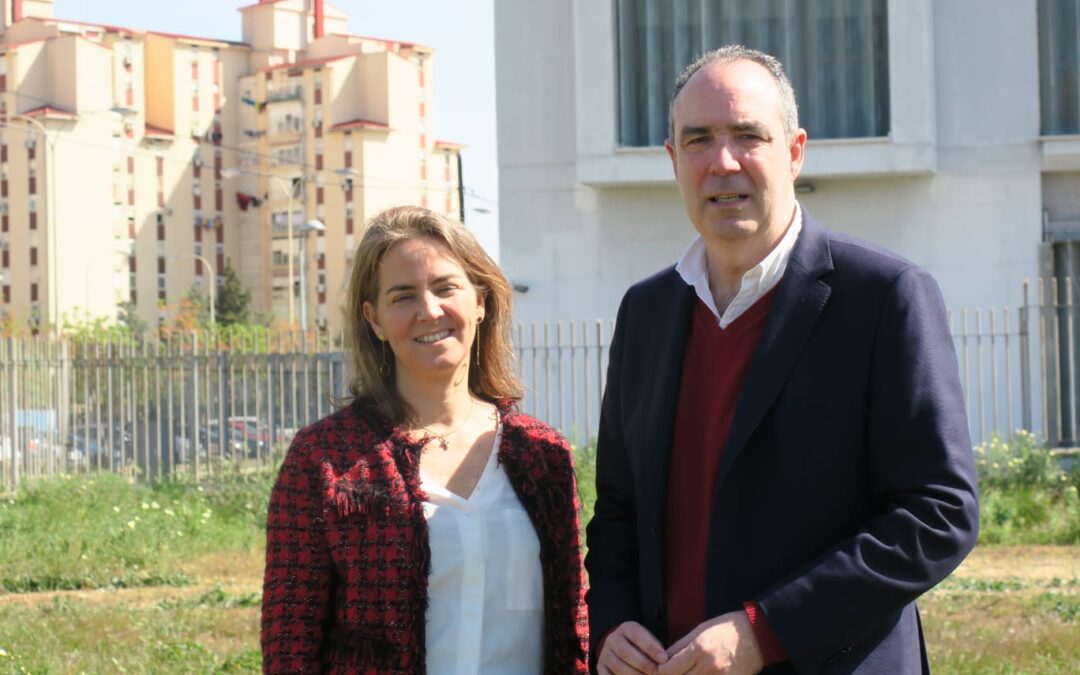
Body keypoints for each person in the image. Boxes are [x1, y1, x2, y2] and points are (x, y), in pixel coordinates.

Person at [585, 45, 979, 674]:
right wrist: (613, 624)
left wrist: (766, 631)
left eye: (748, 135)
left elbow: (938, 513)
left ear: (794, 151)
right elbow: (619, 513)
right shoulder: (646, 312)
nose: (723, 162)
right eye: (698, 140)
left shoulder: (882, 297)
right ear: (672, 159)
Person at [261, 205, 589, 673]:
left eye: (445, 288)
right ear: (374, 319)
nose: (429, 311)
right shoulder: (325, 459)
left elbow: (573, 620)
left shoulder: (543, 455)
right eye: (403, 296)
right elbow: (289, 647)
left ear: (480, 300)